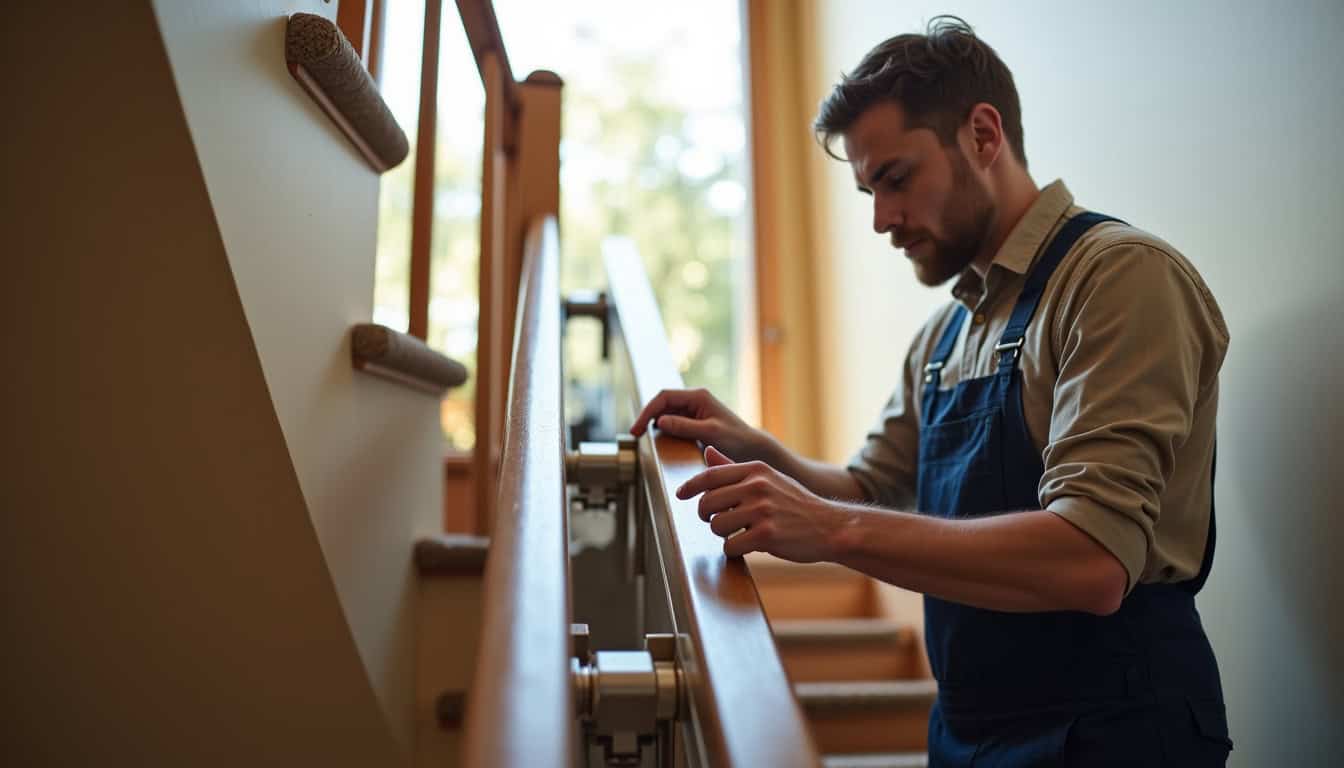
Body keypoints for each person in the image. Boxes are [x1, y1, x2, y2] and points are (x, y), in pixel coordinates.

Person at [630, 16, 1232, 767]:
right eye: (867, 191)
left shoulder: (1120, 278)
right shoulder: (943, 336)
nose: (881, 219)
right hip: (964, 732)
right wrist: (764, 451)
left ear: (983, 136)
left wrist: (831, 530)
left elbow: (1092, 558)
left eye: (895, 179)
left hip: (1113, 731)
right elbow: (873, 487)